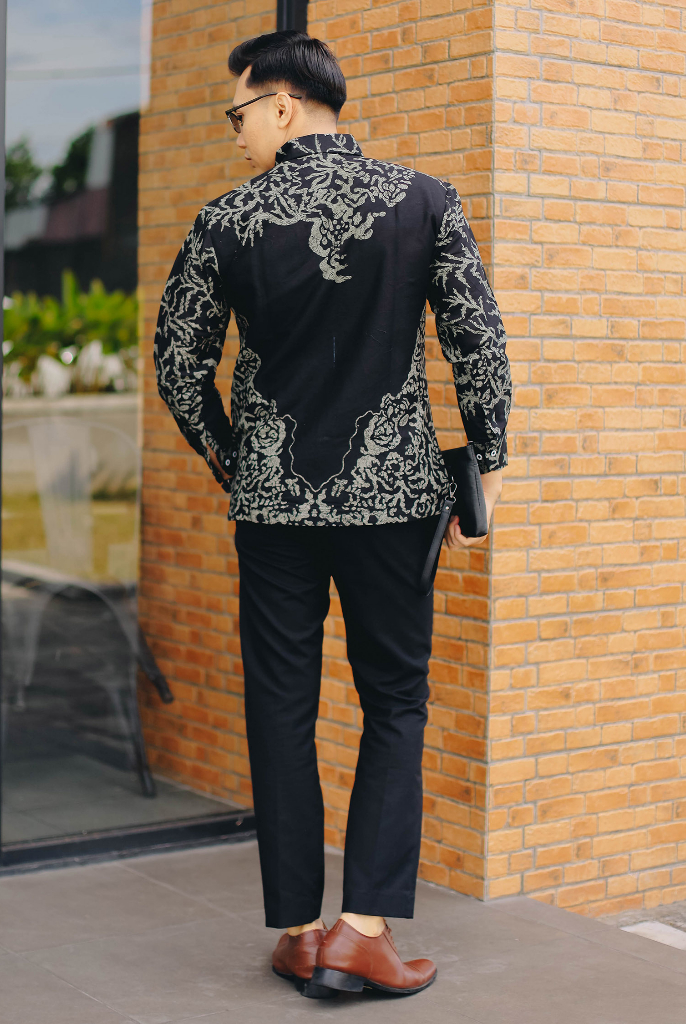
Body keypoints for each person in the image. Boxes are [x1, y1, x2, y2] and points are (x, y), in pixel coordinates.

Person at [154, 31, 511, 998]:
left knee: (281, 706)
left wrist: (239, 463)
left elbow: (179, 366)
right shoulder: (425, 201)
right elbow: (479, 345)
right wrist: (487, 469)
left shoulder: (226, 219)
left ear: (282, 104)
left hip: (274, 509)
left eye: (237, 113)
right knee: (394, 699)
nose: (234, 133)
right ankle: (364, 931)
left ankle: (302, 932)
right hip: (394, 499)